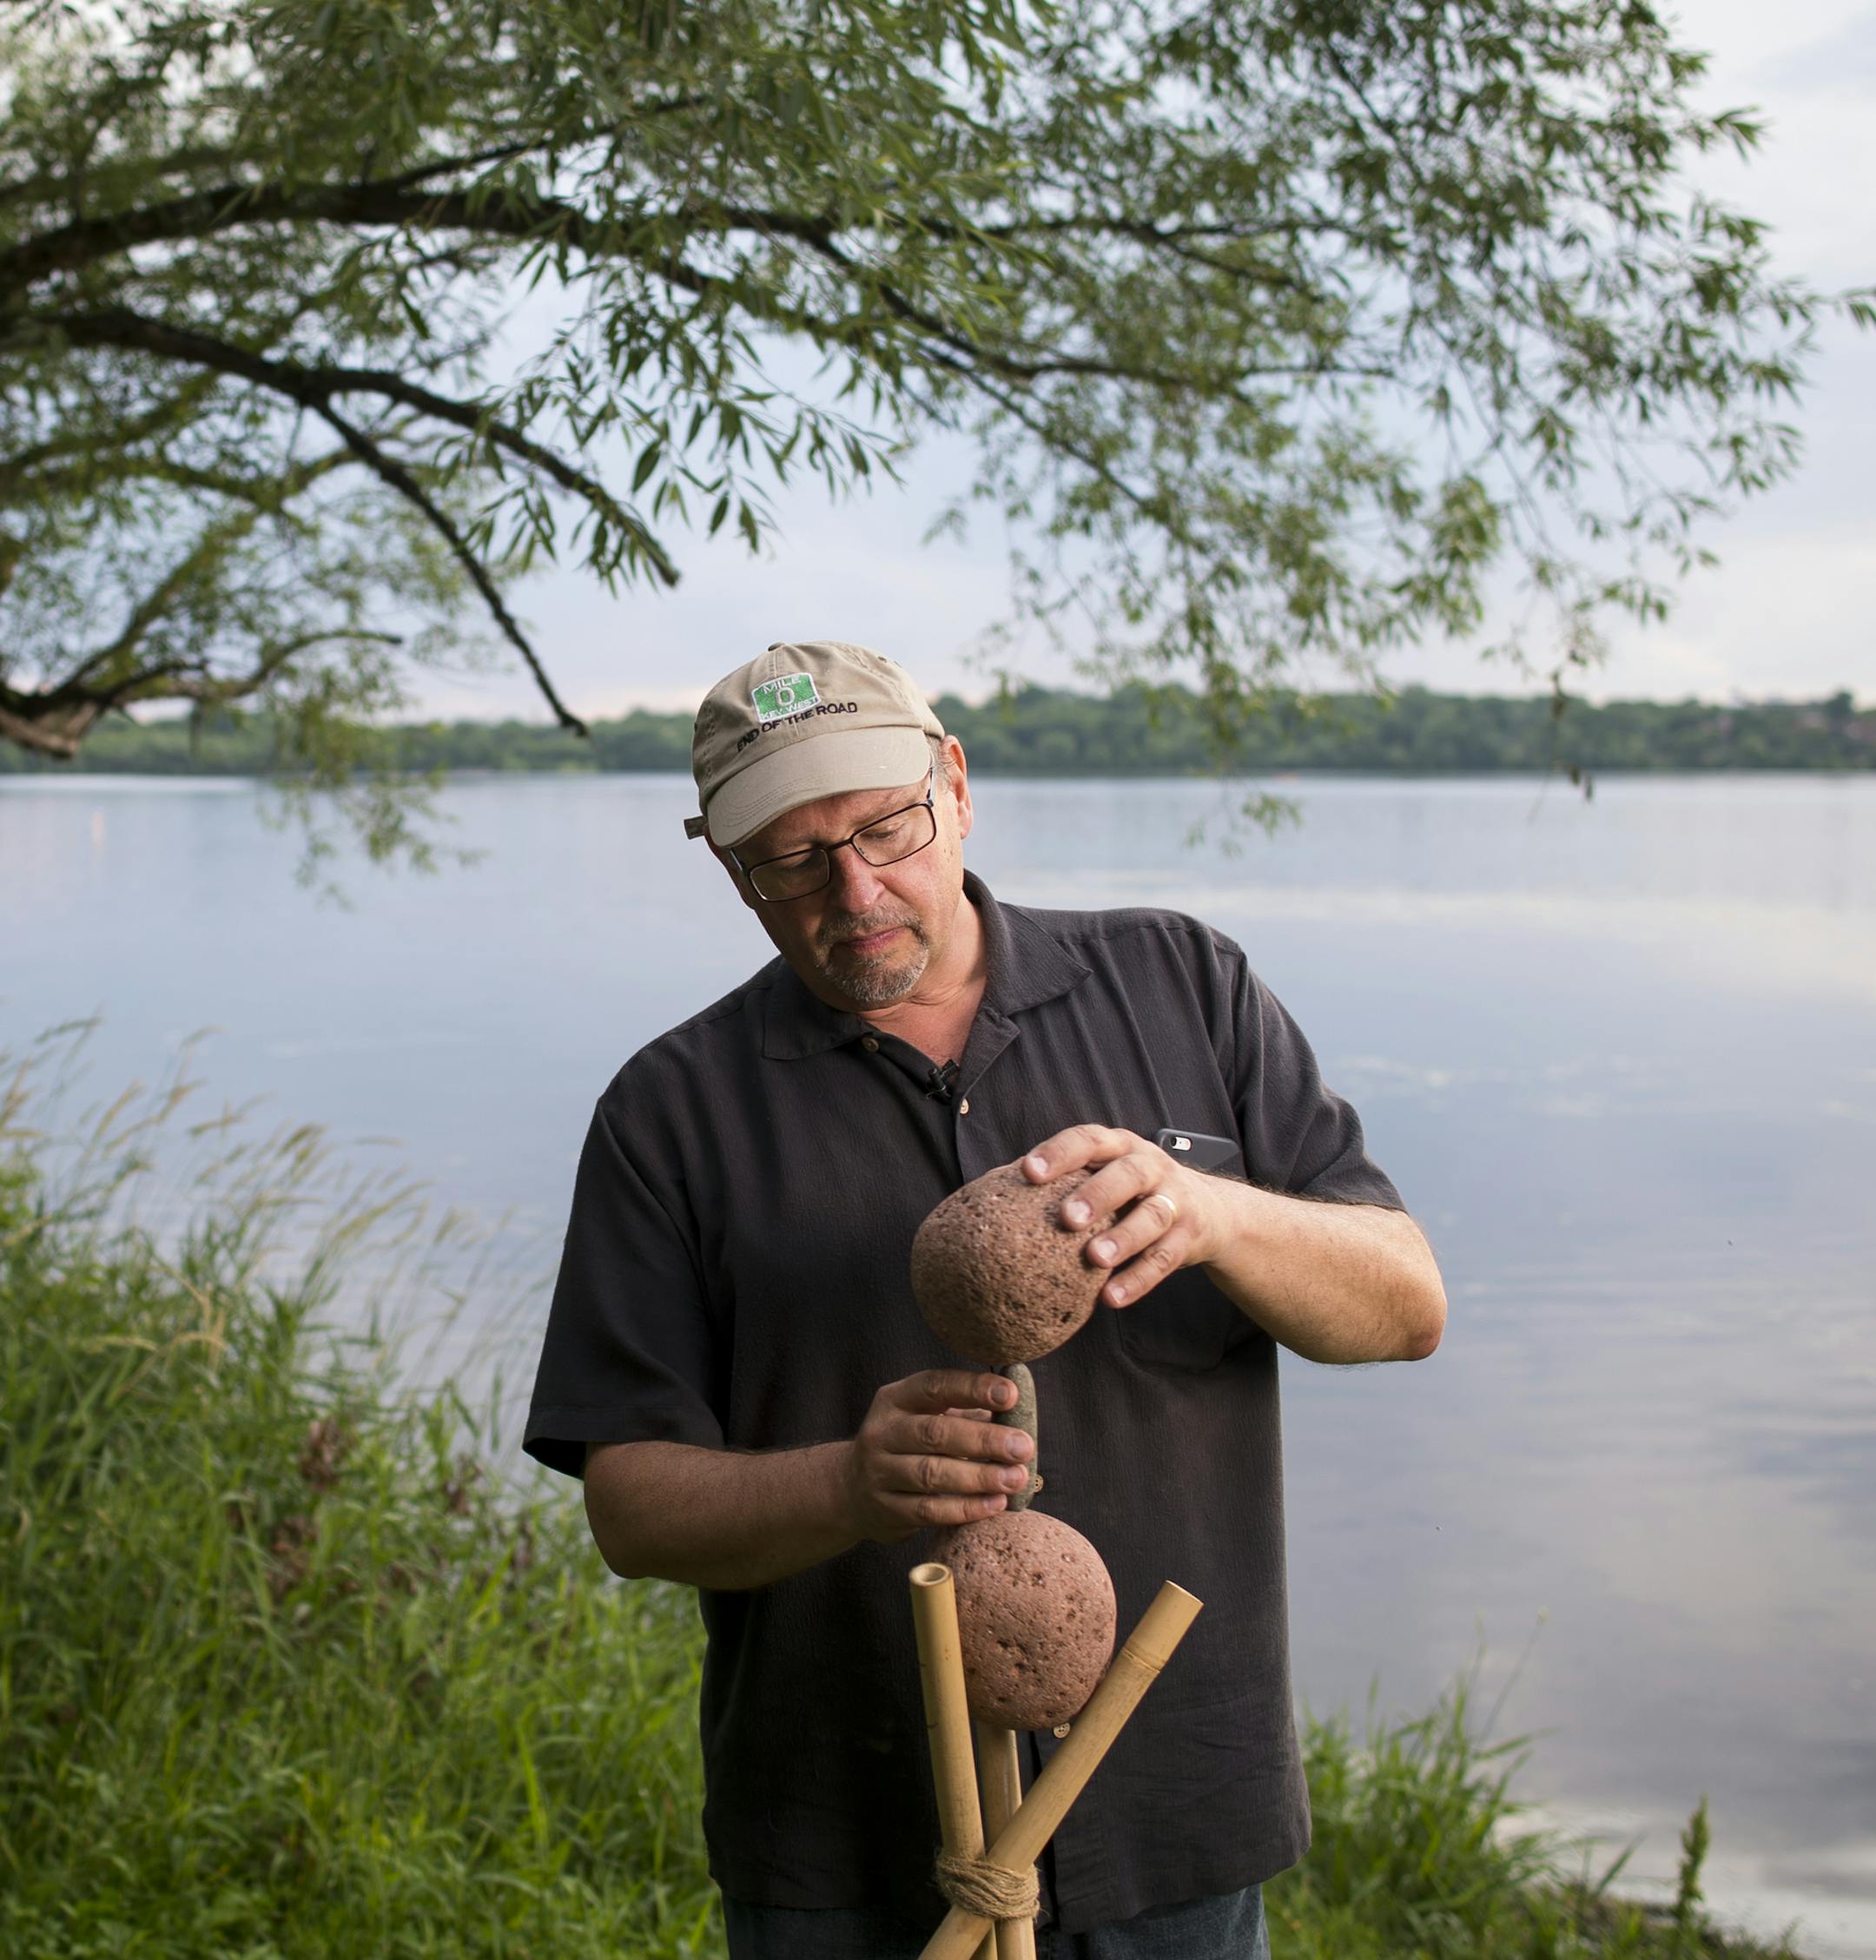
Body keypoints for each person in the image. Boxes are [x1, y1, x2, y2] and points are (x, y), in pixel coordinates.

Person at [524, 639, 1447, 1960]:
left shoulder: (1182, 984)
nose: (856, 887)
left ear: (953, 782)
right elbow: (628, 1506)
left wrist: (1215, 1215)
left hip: (1171, 1809)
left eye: (885, 826)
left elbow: (1406, 1302)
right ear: (731, 870)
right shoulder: (670, 1113)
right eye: (791, 859)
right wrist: (848, 1484)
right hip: (846, 1842)